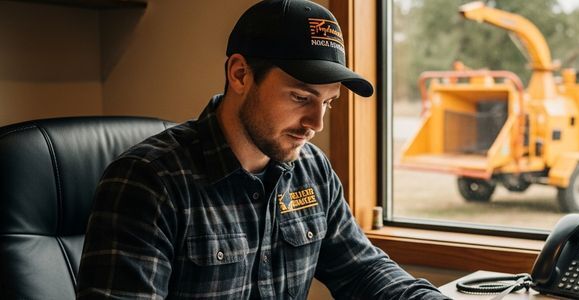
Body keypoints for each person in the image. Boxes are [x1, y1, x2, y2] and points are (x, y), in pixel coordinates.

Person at [76, 0, 449, 299]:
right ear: (240, 74)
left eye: (328, 102)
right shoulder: (148, 182)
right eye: (300, 97)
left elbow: (362, 270)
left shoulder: (312, 170)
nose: (316, 123)